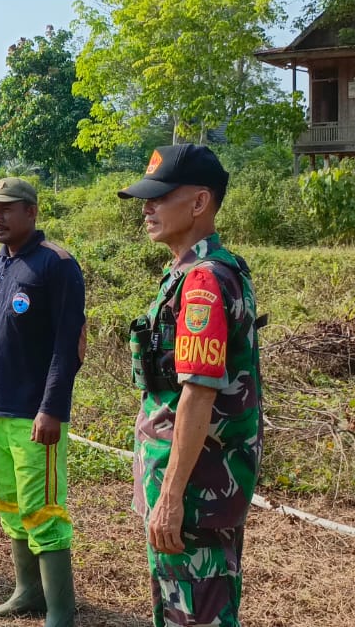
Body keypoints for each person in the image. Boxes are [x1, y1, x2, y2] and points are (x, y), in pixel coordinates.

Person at [117, 144, 262, 627]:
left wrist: (172, 498)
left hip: (197, 493)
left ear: (199, 203)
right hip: (188, 486)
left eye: (159, 197)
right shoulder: (189, 274)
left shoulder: (203, 281)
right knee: (180, 611)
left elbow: (197, 395)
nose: (147, 207)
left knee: (198, 616)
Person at [0, 177, 84, 627]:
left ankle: (61, 613)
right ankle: (28, 593)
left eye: (6, 208)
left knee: (43, 508)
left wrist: (52, 408)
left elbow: (68, 344)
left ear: (31, 211)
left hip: (35, 414)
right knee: (10, 504)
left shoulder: (56, 264)